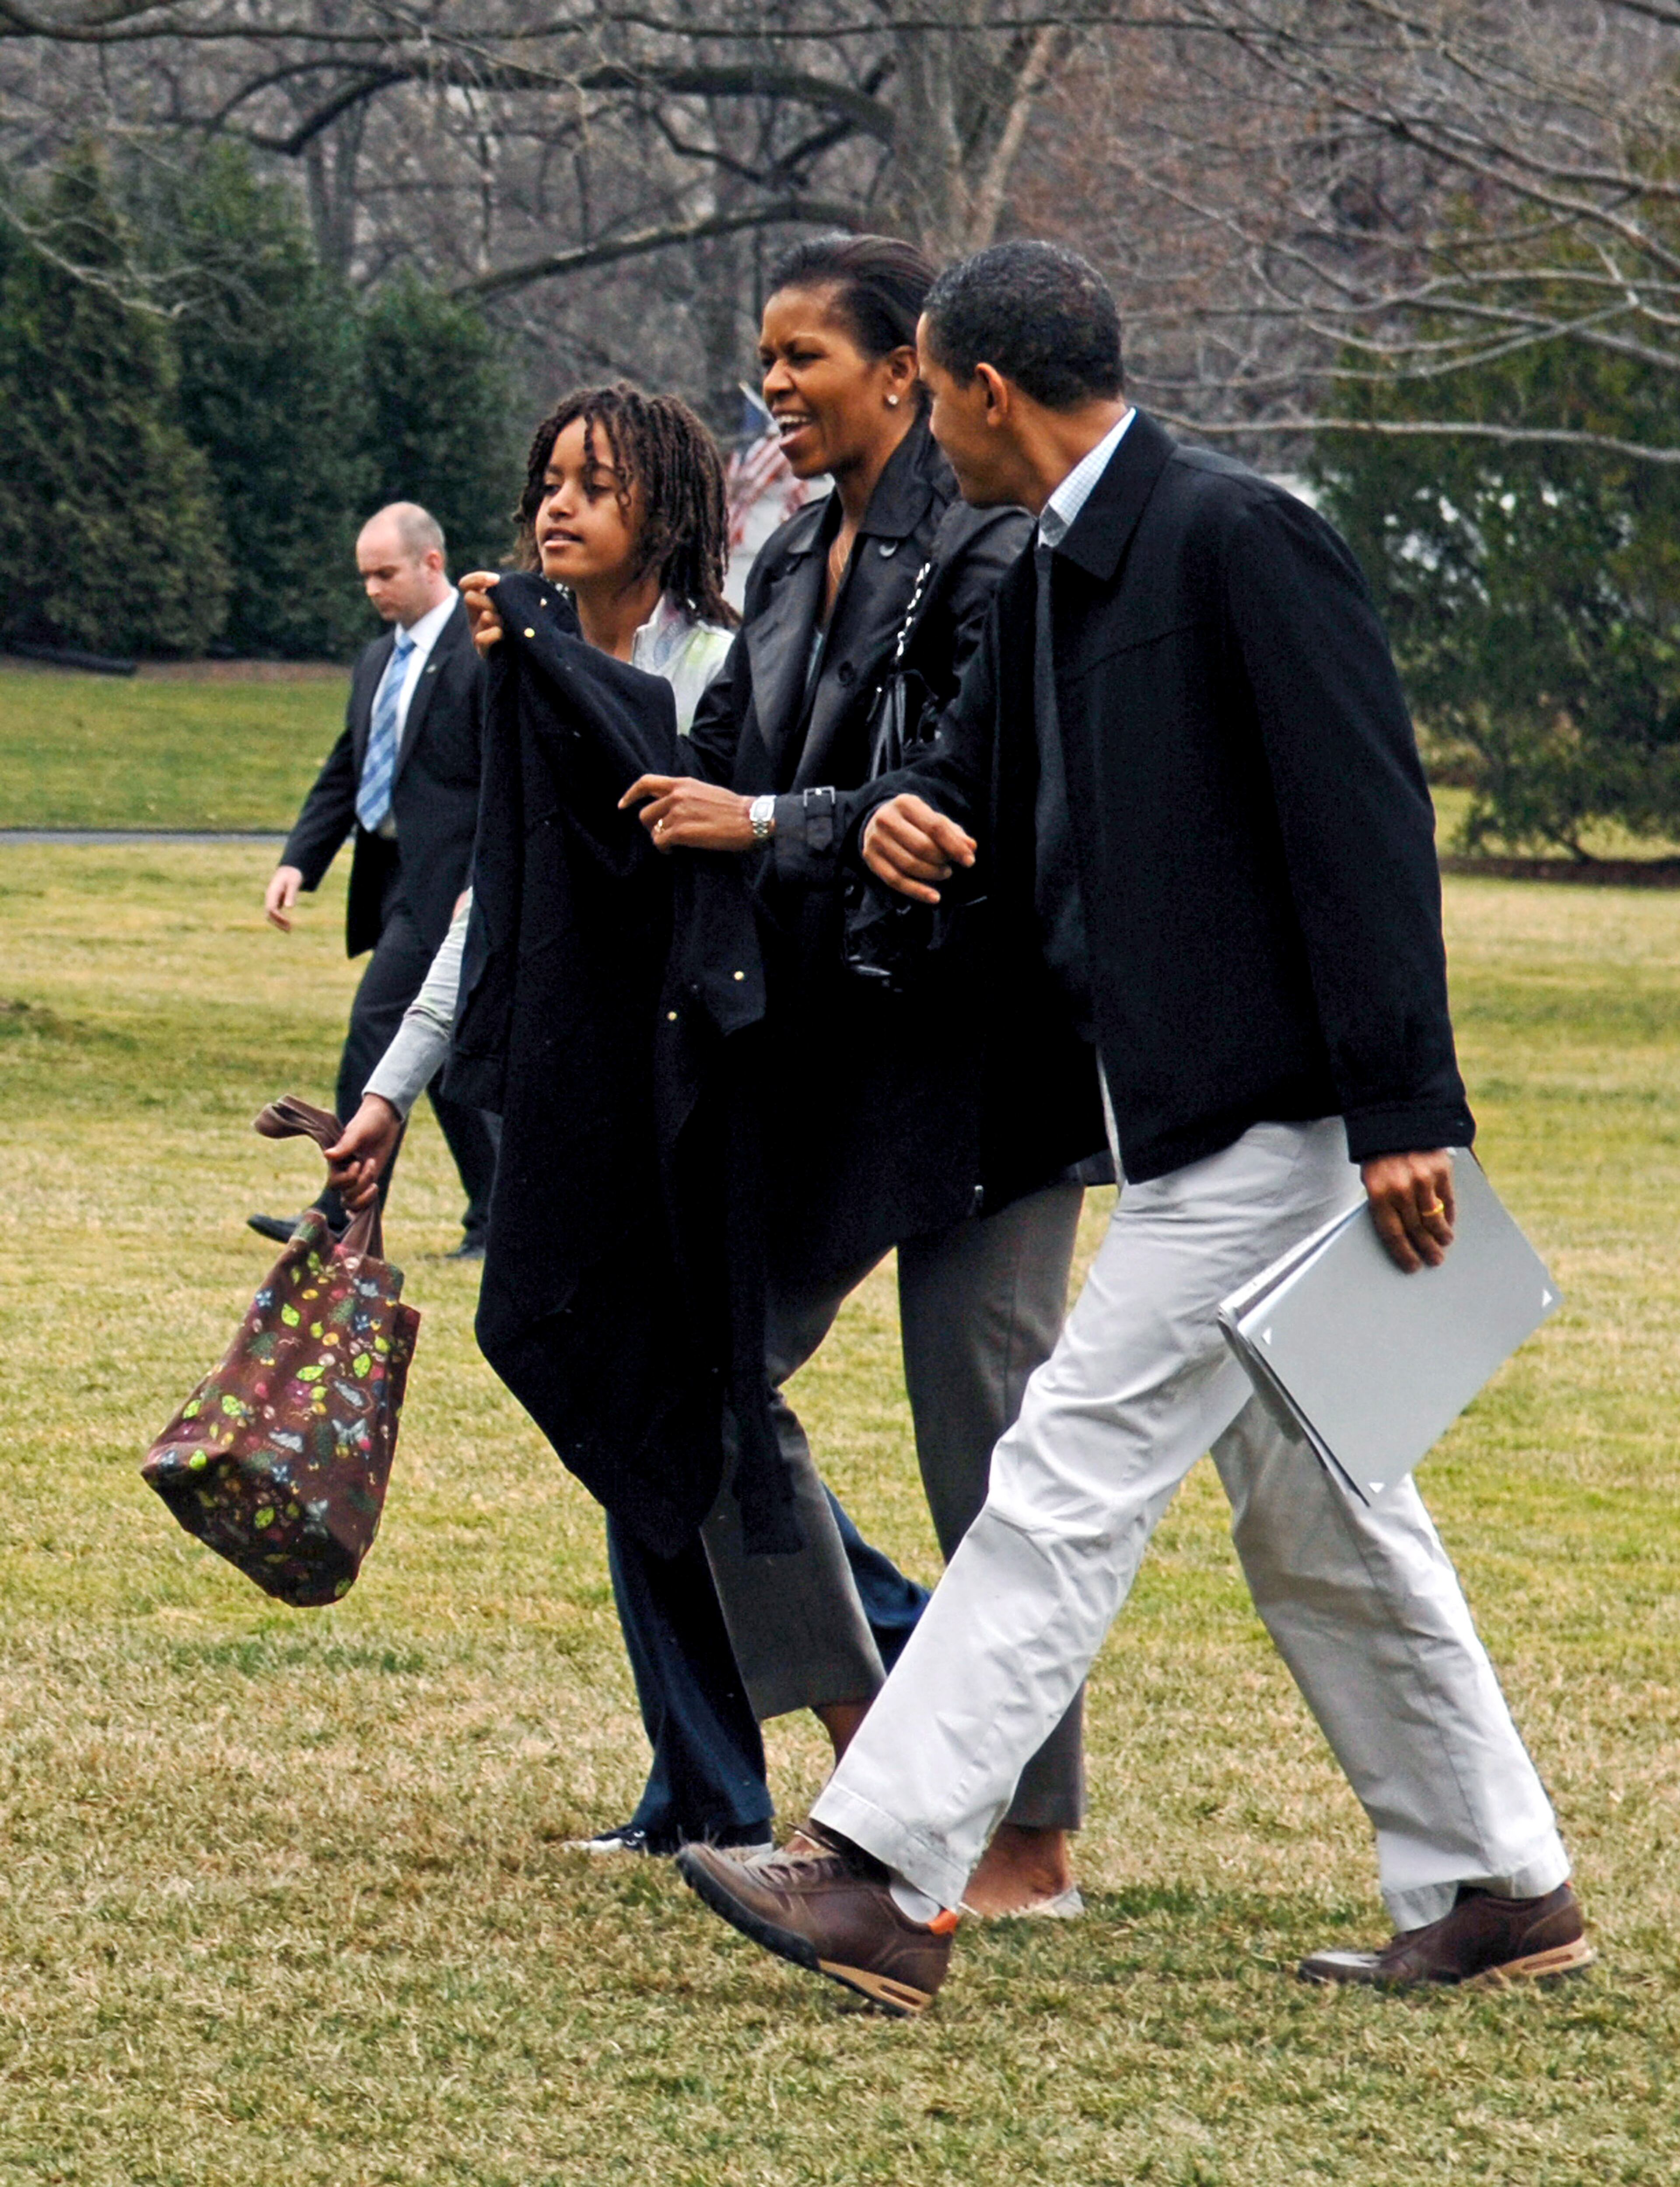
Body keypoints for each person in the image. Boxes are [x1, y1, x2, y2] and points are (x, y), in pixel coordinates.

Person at [676, 241, 1592, 2012]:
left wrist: (1410, 1108)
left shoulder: (1241, 538)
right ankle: (1499, 1883)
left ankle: (877, 1873)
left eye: (933, 391)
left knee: (1062, 1479)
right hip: (1178, 1120)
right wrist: (913, 828)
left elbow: (1366, 825)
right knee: (1326, 1514)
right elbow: (998, 800)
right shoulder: (1051, 573)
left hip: (1279, 1130)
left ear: (986, 394)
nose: (930, 426)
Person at [326, 383, 923, 1860]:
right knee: (627, 1409)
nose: (557, 504)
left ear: (662, 504)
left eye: (593, 483)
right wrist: (394, 1088)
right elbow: (495, 906)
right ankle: (711, 1787)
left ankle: (898, 1660)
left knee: (686, 1412)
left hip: (713, 1104)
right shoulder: (524, 672)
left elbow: (782, 857)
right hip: (583, 1103)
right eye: (545, 481)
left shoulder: (724, 663)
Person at [609, 233, 1108, 1916]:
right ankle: (874, 1741)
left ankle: (1031, 1837)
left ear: (910, 370)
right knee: (706, 1370)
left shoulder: (992, 550)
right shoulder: (792, 544)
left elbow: (960, 801)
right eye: (763, 358)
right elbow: (726, 761)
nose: (773, 386)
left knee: (990, 1439)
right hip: (820, 1049)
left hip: (981, 1062)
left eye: (805, 356)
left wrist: (764, 823)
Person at [251, 502, 497, 1260]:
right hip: (393, 882)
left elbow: (506, 776)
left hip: (452, 891)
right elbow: (345, 770)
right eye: (364, 577)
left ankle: (338, 1217)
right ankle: (494, 1219)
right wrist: (299, 860)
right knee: (448, 1062)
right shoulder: (376, 662)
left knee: (376, 1035)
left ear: (433, 564)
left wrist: (485, 881)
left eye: (385, 573)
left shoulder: (482, 652)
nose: (373, 590)